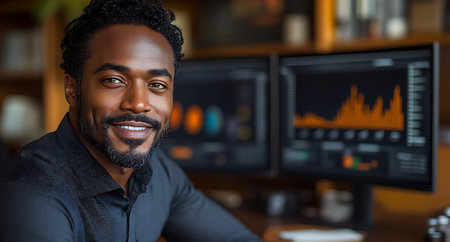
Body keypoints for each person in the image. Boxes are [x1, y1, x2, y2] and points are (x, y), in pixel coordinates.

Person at [0, 0, 261, 241]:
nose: (138, 103)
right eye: (114, 80)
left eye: (157, 84)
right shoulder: (32, 192)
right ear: (72, 89)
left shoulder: (160, 172)